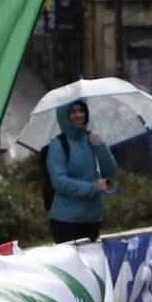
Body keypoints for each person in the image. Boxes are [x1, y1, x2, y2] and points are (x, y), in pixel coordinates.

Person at [46, 100, 118, 243]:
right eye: (73, 112)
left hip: (93, 219)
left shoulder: (92, 139)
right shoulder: (58, 144)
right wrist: (94, 187)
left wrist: (100, 146)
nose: (78, 115)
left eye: (81, 111)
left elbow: (111, 171)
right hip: (66, 222)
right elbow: (60, 182)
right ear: (64, 116)